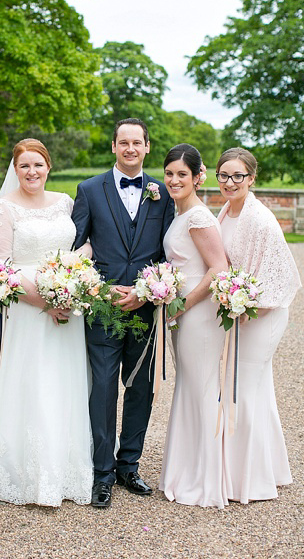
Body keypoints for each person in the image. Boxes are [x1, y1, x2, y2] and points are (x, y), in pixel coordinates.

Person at [0, 139, 93, 506]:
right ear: (15, 169)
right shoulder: (2, 209)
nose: (32, 172)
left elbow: (82, 246)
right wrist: (46, 300)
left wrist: (75, 278)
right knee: (28, 381)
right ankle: (17, 468)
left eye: (38, 164)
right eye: (24, 166)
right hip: (23, 308)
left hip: (67, 304)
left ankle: (65, 465)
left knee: (62, 380)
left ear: (48, 166)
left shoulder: (64, 202)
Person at [71, 118, 175, 508]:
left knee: (142, 389)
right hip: (102, 309)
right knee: (101, 389)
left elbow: (169, 253)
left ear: (147, 147)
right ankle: (101, 475)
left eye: (137, 142)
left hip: (146, 309)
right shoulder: (88, 190)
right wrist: (98, 288)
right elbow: (76, 250)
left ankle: (129, 465)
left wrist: (148, 291)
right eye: (123, 142)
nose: (130, 148)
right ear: (113, 147)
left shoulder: (164, 195)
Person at [215, 147, 301, 502]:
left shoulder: (260, 219)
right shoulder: (225, 211)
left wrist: (242, 304)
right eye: (224, 175)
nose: (230, 182)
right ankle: (271, 469)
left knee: (244, 392)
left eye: (238, 176)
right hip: (241, 310)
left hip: (261, 314)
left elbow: (279, 277)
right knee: (257, 392)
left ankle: (248, 481)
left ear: (251, 178)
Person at [158, 143, 229, 507]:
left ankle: (206, 481)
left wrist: (183, 304)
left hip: (197, 314)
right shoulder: (178, 212)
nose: (174, 180)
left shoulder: (199, 217)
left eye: (182, 174)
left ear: (198, 177)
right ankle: (185, 471)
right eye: (169, 173)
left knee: (201, 388)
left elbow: (219, 268)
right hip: (181, 314)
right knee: (189, 387)